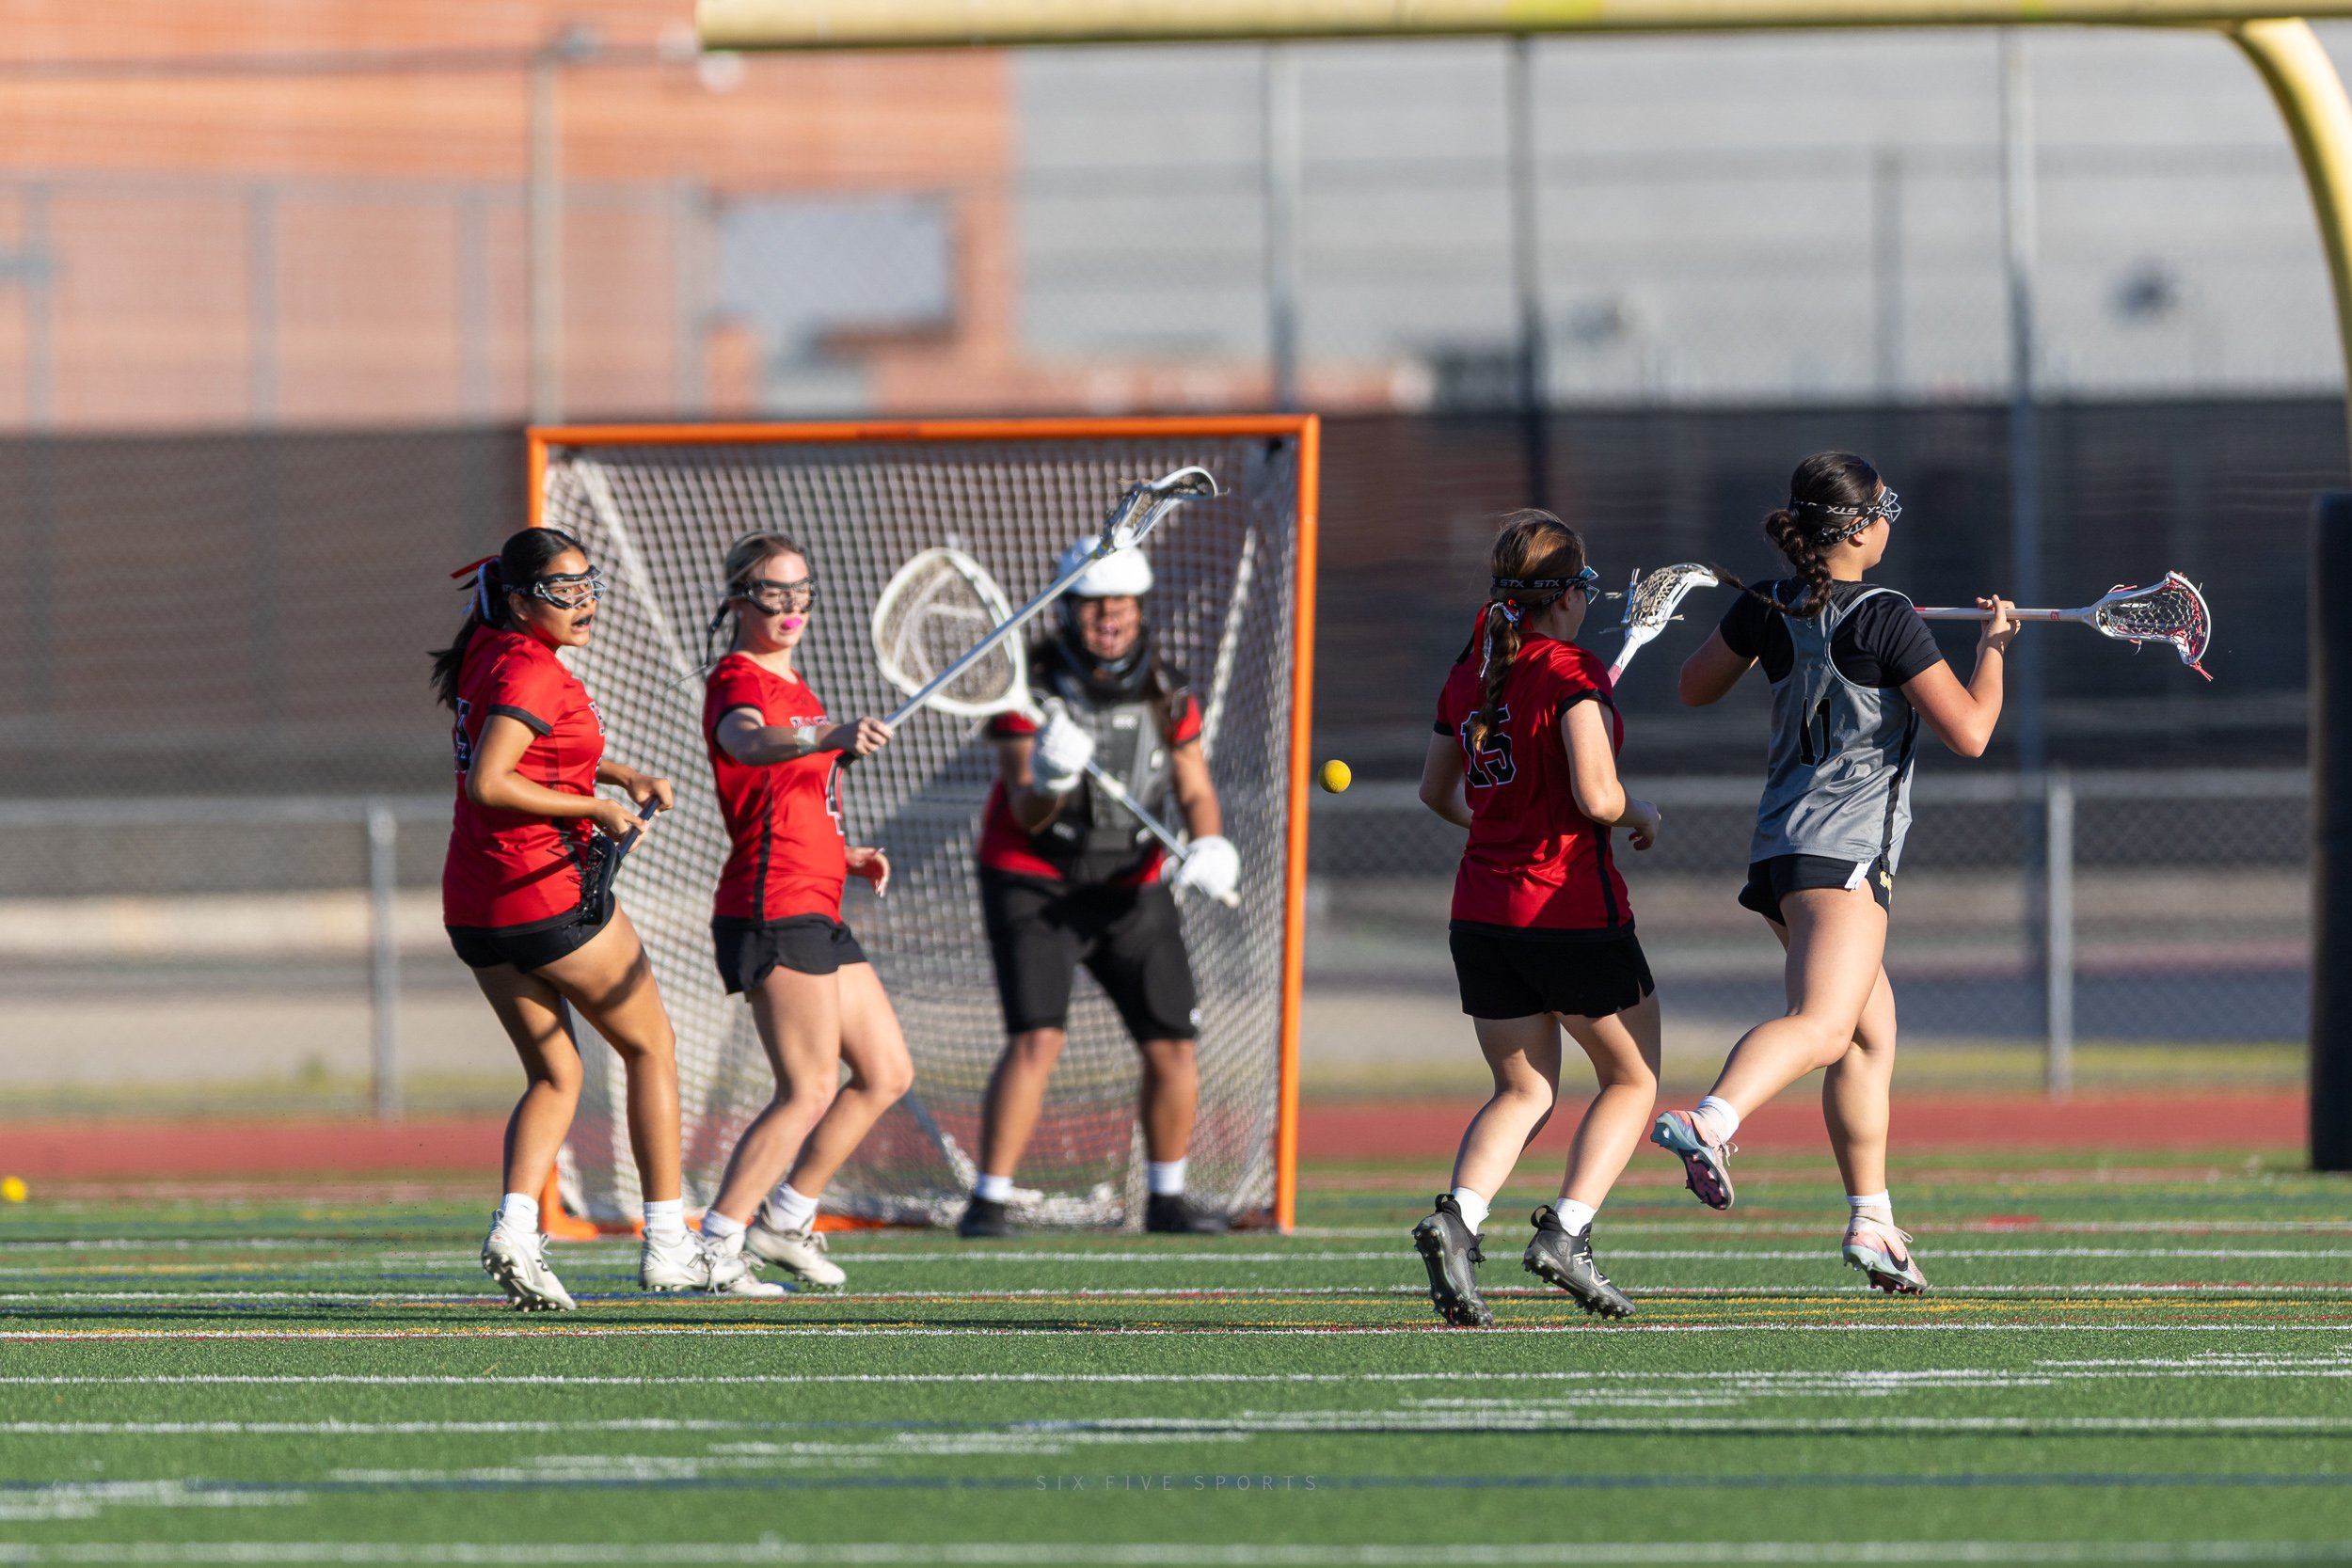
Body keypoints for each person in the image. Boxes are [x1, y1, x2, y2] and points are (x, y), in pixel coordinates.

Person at [1658, 451, 2017, 1294]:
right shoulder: (1887, 614)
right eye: (1884, 510)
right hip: (1844, 853)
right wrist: (1994, 649)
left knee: (1867, 1034)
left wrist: (1774, 630)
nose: (1892, 522)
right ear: (1856, 529)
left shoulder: (1771, 603)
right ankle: (1710, 1119)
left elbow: (1692, 687)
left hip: (1781, 849)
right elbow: (1971, 731)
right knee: (1823, 1025)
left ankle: (1873, 1219)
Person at [432, 527, 759, 1309]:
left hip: (476, 903)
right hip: (542, 892)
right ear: (520, 601)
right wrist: (596, 807)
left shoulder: (490, 647)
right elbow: (491, 781)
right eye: (563, 590)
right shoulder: (530, 667)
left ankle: (515, 1228)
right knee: (652, 1046)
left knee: (558, 1073)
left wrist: (618, 773)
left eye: (587, 585)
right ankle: (669, 1243)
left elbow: (535, 748)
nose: (583, 603)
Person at [1408, 511, 1664, 1325]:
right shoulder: (1570, 669)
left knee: (1522, 1088)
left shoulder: (1472, 666)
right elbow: (1598, 795)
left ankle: (1459, 1218)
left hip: (1481, 913)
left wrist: (1502, 824)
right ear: (1567, 595)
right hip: (1567, 909)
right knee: (1633, 1078)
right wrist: (1642, 811)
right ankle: (1567, 1232)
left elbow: (1437, 791)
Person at [955, 537, 1242, 1238]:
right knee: (1038, 1037)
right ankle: (988, 1202)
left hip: (1131, 882)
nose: (1108, 616)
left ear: (1140, 608)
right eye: (1092, 603)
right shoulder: (1027, 687)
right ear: (1066, 608)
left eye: (1122, 602)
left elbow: (1193, 787)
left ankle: (1167, 1199)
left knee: (1172, 1039)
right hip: (1034, 881)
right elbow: (1026, 808)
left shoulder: (1168, 690)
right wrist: (1052, 776)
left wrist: (1209, 842)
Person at [693, 531, 914, 1290]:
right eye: (772, 592)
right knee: (809, 1086)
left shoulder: (801, 687)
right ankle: (715, 1244)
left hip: (817, 894)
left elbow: (792, 801)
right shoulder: (738, 677)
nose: (790, 606)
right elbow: (747, 744)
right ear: (739, 601)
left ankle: (784, 1220)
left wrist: (843, 853)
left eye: (800, 591)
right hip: (772, 904)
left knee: (885, 1072)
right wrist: (828, 733)